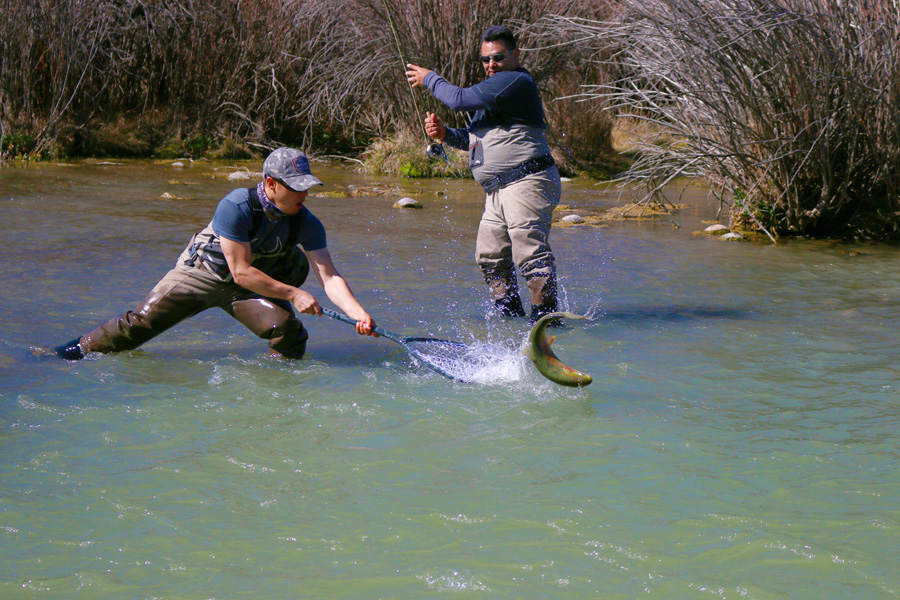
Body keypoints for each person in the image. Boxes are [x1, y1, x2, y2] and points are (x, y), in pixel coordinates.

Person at [53, 148, 376, 360]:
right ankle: (60, 355)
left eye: (307, 186)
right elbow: (240, 271)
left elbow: (329, 276)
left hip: (248, 288)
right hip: (202, 274)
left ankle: (276, 389)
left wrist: (358, 314)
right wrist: (294, 294)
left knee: (289, 332)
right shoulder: (236, 204)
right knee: (135, 329)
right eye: (296, 186)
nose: (304, 194)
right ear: (271, 184)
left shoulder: (306, 221)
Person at [406, 25, 562, 323]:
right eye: (486, 60)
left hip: (526, 181)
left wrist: (430, 79)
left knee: (529, 254)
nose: (491, 65)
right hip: (497, 190)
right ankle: (510, 314)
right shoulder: (496, 88)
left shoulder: (515, 80)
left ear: (516, 55)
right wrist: (444, 134)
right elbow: (474, 139)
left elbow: (459, 100)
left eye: (498, 57)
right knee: (489, 256)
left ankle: (547, 319)